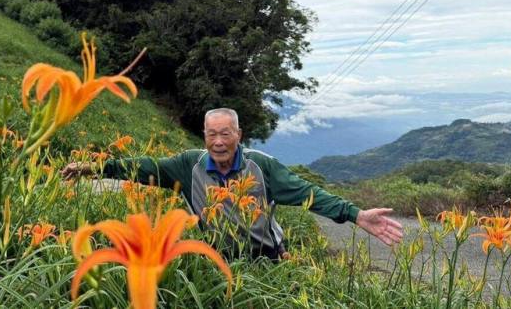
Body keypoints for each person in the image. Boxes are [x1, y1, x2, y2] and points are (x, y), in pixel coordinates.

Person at [61, 108, 403, 259]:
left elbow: (306, 193)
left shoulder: (261, 166)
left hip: (266, 256)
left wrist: (355, 215)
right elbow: (141, 167)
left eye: (226, 133)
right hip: (216, 255)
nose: (219, 141)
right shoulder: (188, 165)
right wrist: (94, 168)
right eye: (212, 134)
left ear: (238, 135)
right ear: (205, 137)